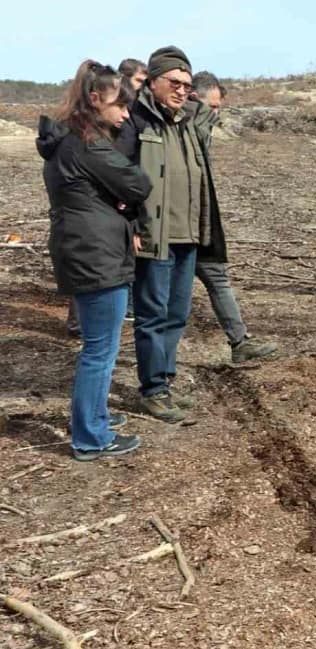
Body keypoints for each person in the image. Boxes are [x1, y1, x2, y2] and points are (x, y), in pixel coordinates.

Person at [38, 61, 151, 460]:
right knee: (100, 350)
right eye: (120, 105)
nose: (125, 113)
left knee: (96, 346)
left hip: (84, 249)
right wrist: (119, 198)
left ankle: (94, 416)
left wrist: (113, 197)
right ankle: (91, 437)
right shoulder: (88, 143)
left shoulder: (68, 140)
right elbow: (139, 183)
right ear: (94, 99)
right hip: (96, 255)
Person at [117, 46, 228, 423]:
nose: (182, 90)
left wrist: (197, 105)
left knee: (177, 314)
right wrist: (129, 223)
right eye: (174, 83)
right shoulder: (136, 120)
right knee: (152, 315)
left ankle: (165, 380)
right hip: (153, 236)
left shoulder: (187, 122)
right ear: (153, 81)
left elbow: (206, 121)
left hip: (189, 235)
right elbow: (119, 175)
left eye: (186, 84)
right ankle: (152, 389)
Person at [188, 71, 278, 363]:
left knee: (218, 278)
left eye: (218, 107)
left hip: (202, 223)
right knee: (168, 303)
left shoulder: (202, 126)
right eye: (211, 107)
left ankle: (239, 342)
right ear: (193, 98)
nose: (216, 114)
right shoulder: (183, 126)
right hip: (178, 228)